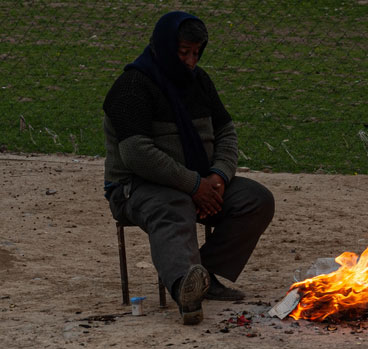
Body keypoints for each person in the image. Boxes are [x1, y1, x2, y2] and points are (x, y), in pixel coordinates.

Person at [103, 11, 274, 325]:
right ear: (166, 46)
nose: (191, 61)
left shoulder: (200, 82)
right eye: (184, 53)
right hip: (137, 188)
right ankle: (185, 287)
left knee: (256, 200)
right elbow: (137, 154)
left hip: (202, 181)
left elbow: (226, 132)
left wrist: (219, 176)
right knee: (175, 205)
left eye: (197, 53)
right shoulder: (132, 87)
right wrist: (194, 185)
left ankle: (202, 273)